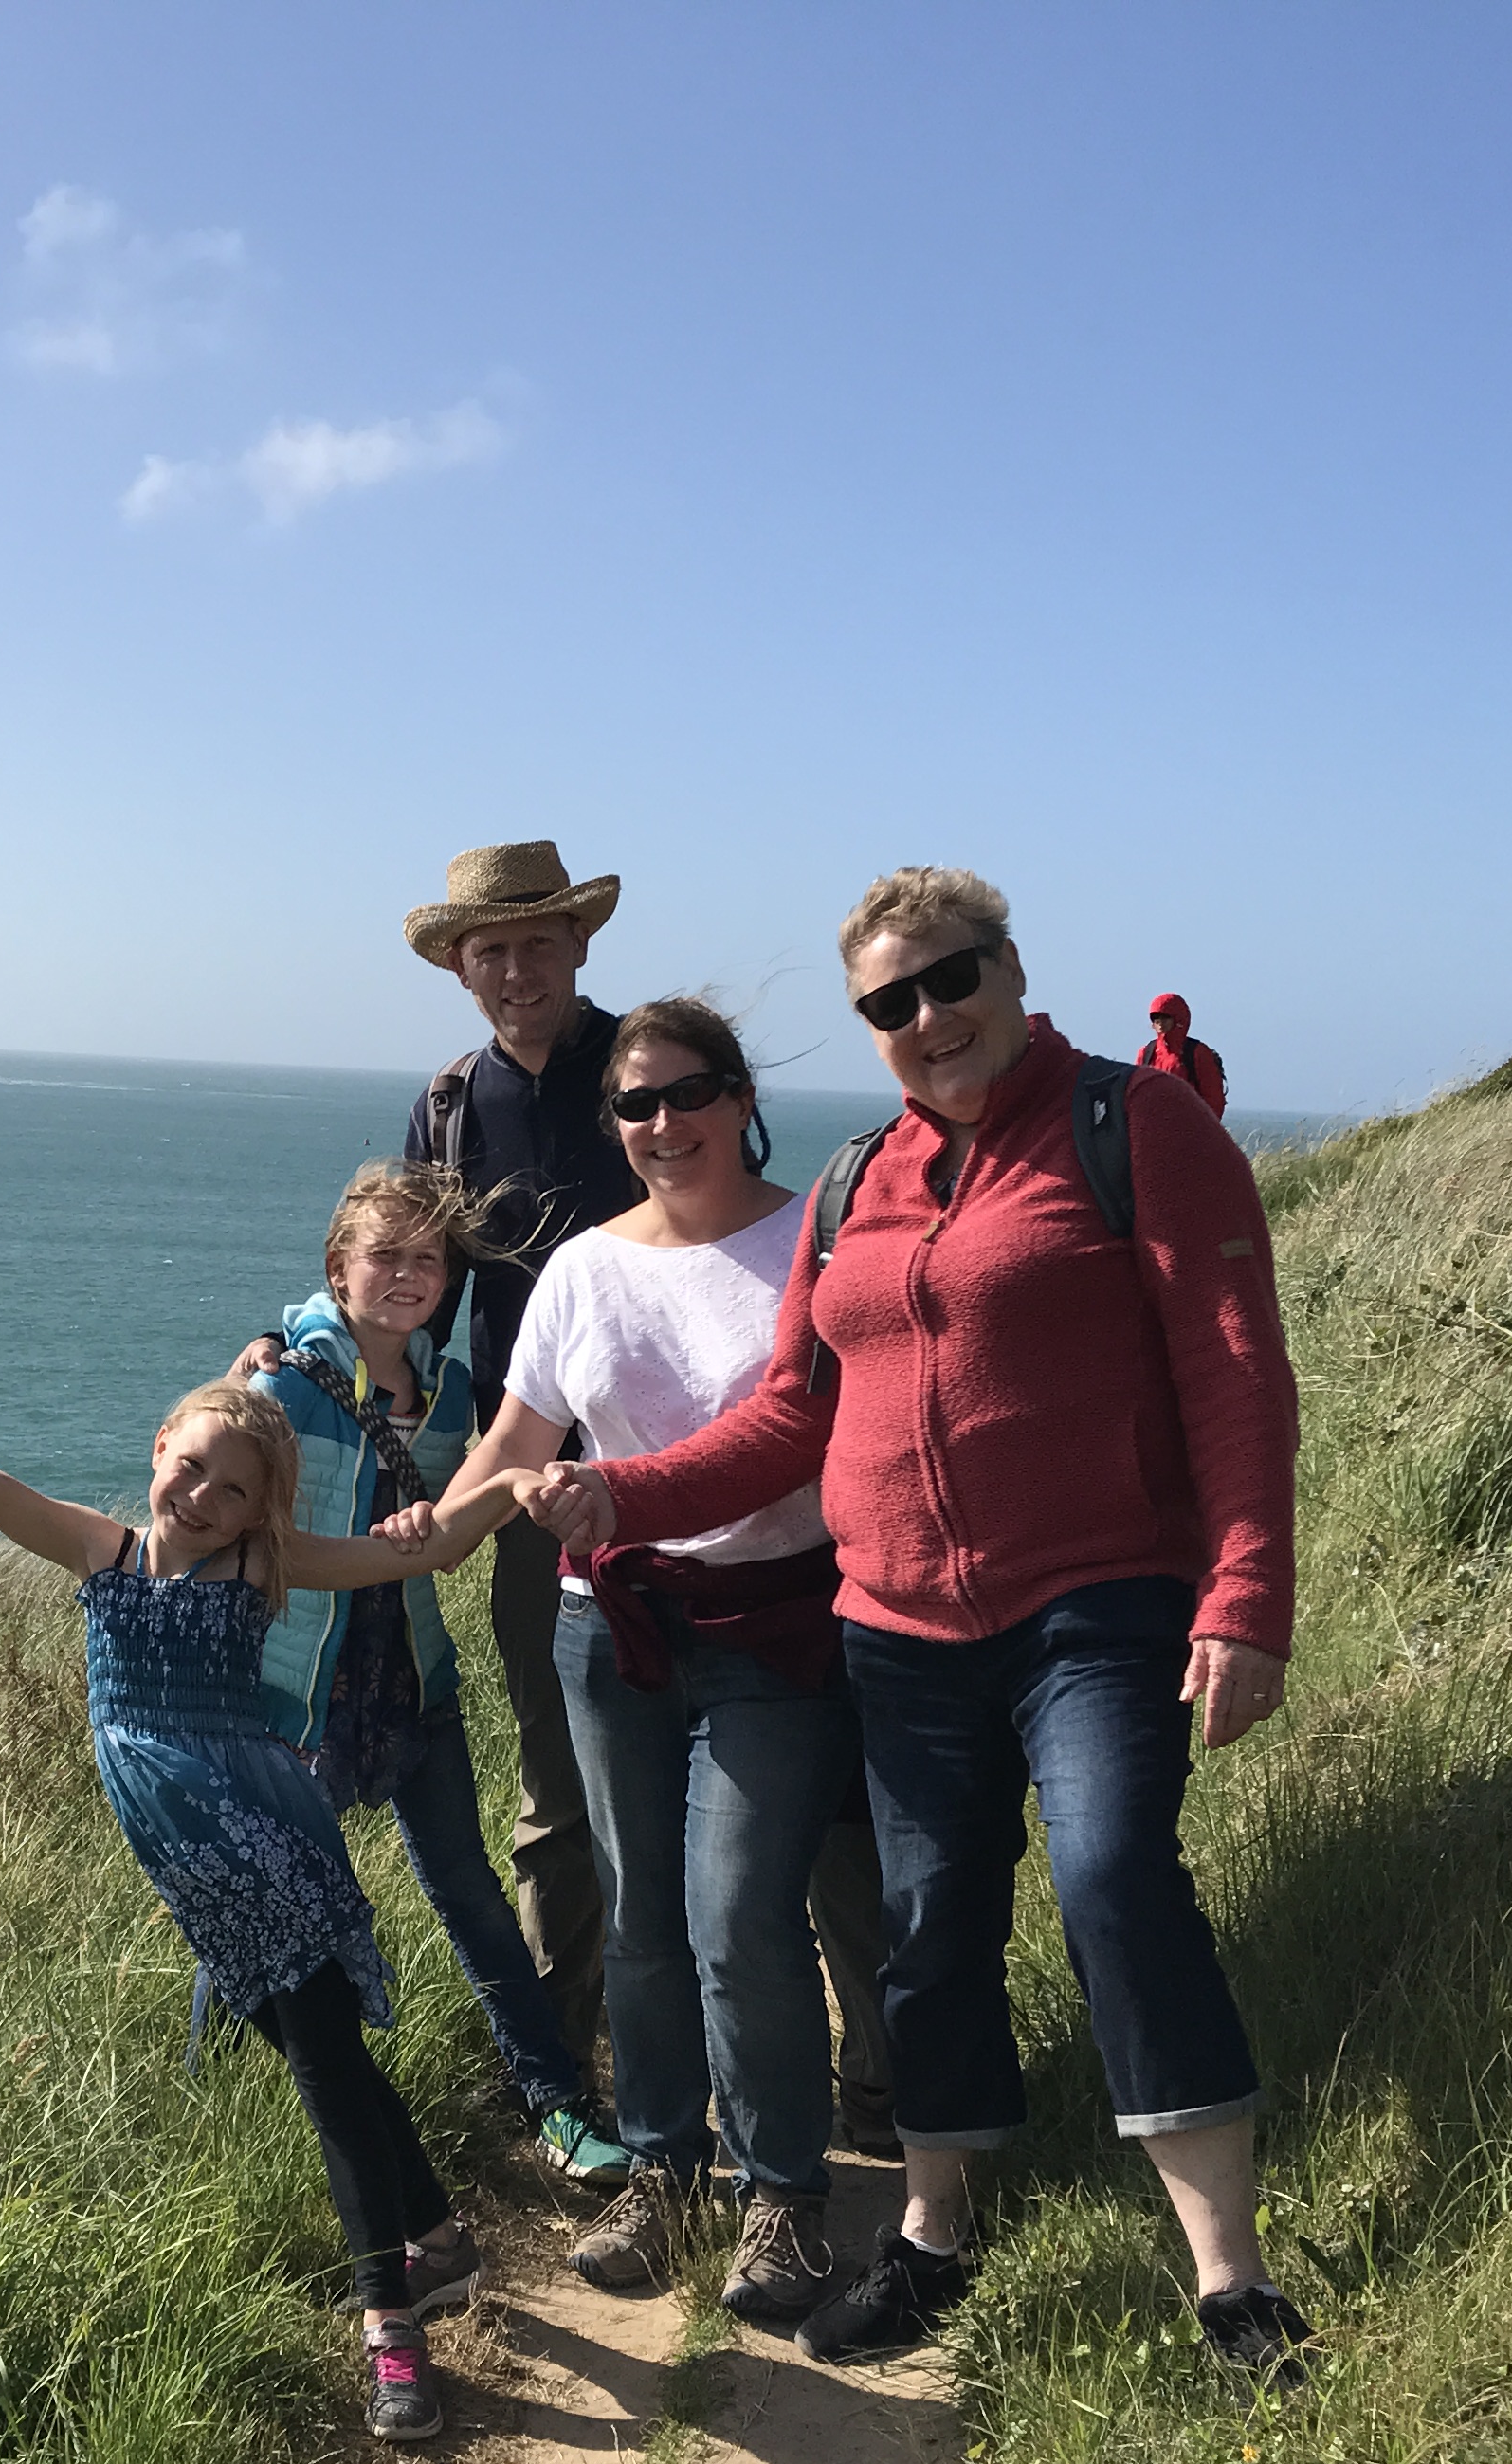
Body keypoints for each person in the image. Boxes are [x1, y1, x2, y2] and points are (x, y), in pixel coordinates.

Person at [527, 867, 1308, 2377]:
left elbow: (1233, 1368)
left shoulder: (1133, 1126)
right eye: (890, 1002)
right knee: (930, 1926)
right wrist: (621, 1496)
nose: (928, 1017)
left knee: (1113, 1878)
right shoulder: (855, 1184)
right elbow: (789, 1416)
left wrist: (1246, 1594)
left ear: (1009, 969)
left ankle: (1232, 2281)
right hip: (893, 1627)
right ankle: (935, 2238)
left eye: (951, 979)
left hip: (1093, 1603)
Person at [0, 1366, 537, 2440]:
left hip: (267, 1846)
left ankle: (389, 2325)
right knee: (327, 2061)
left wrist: (508, 1483)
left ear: (258, 1513)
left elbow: (419, 1553)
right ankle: (440, 2243)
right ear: (159, 1450)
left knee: (327, 2078)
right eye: (190, 1469)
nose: (202, 1498)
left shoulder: (261, 1566)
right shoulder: (96, 1551)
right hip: (196, 1876)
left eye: (233, 1490)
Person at [424, 999, 861, 2327]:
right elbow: (516, 1442)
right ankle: (664, 2169)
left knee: (740, 1917)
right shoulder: (581, 1268)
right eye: (634, 1104)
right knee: (639, 1915)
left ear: (741, 1097)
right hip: (606, 1627)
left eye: (689, 1093)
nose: (663, 1124)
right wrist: (423, 1538)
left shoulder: (812, 1241)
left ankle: (782, 2194)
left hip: (773, 1624)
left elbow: (816, 1428)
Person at [246, 1160, 635, 2186]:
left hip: (413, 1677)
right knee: (284, 1908)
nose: (409, 1274)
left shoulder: (457, 1392)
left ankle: (553, 2101)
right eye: (385, 1254)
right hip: (295, 1691)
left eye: (428, 1257)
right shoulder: (279, 1385)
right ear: (338, 1267)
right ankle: (280, 2105)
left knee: (470, 1893)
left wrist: (483, 1501)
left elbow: (453, 1527)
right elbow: (246, 1535)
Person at [388, 842, 647, 2068]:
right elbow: (411, 1295)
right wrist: (301, 1363)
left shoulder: (650, 1072)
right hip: (528, 1485)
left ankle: (716, 2039)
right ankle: (567, 2053)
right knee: (555, 1774)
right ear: (459, 968)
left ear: (579, 944)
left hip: (681, 1476)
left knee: (715, 1765)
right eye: (489, 949)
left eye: (538, 941)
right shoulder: (447, 1110)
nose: (515, 969)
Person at [1139, 991, 1227, 1118]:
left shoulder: (1198, 1053)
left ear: (1178, 1019)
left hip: (1188, 1125)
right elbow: (1136, 1094)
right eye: (1156, 1018)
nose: (1160, 1023)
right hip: (1153, 1125)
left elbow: (1214, 1099)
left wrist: (1200, 1126)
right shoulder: (1146, 1053)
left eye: (1165, 1017)